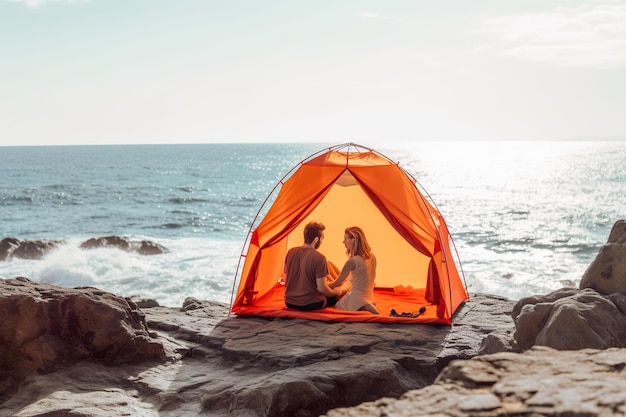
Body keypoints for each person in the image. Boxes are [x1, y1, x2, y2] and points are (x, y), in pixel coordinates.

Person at [283, 221, 342, 311]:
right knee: (336, 296)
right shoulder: (320, 258)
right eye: (322, 239)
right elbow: (322, 288)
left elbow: (285, 279)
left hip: (289, 303)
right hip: (311, 304)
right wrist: (335, 293)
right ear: (316, 240)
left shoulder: (290, 252)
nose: (322, 242)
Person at [330, 226, 380, 314]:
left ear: (353, 240)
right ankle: (365, 305)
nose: (343, 242)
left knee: (338, 305)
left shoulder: (352, 262)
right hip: (369, 296)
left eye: (345, 239)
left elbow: (337, 283)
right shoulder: (372, 257)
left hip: (355, 298)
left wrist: (321, 285)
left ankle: (362, 305)